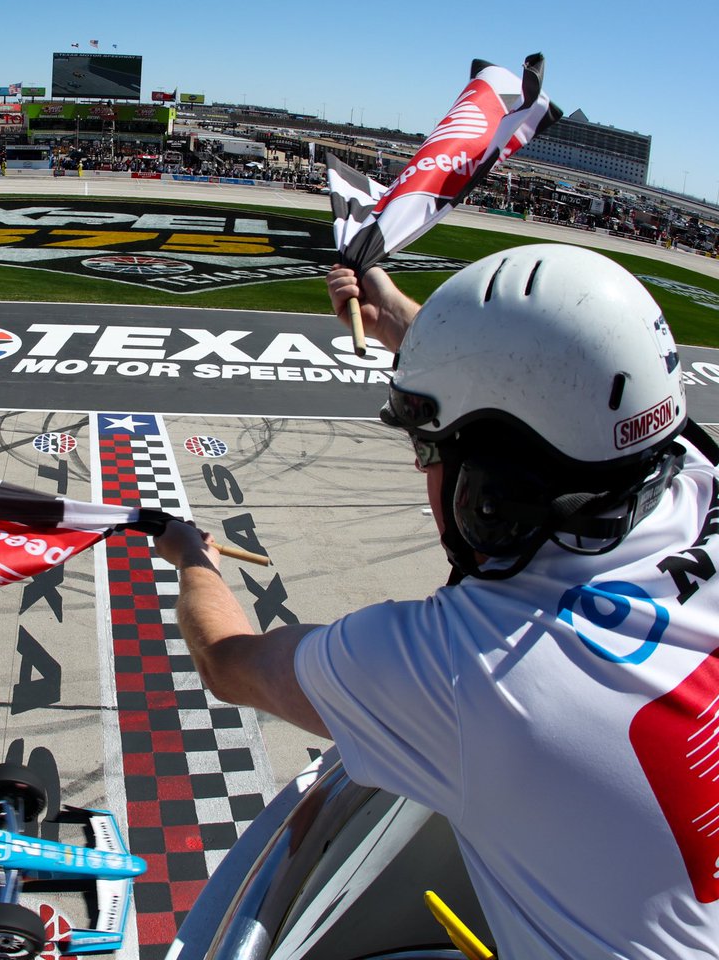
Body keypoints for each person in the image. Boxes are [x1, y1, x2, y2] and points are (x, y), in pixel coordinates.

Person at [154, 243, 719, 958]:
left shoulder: (469, 675)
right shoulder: (694, 480)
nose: (426, 469)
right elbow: (559, 388)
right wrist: (396, 316)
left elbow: (231, 663)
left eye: (429, 452)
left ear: (491, 496)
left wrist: (192, 556)